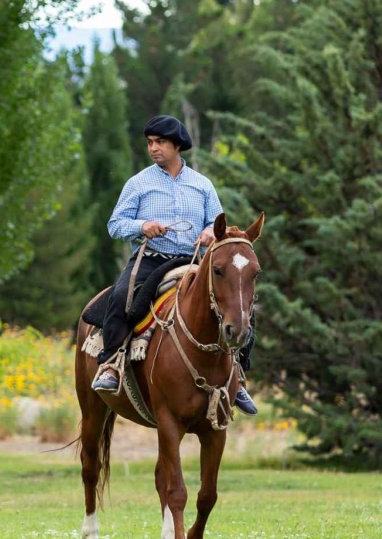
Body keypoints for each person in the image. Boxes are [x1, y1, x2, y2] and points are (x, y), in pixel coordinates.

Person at [90, 115, 257, 415]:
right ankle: (111, 363)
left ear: (177, 146)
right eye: (149, 143)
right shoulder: (139, 183)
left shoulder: (202, 185)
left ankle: (239, 377)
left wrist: (209, 232)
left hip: (195, 262)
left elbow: (217, 224)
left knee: (238, 301)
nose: (153, 148)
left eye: (160, 142)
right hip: (151, 259)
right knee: (121, 295)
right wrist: (142, 226)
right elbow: (115, 224)